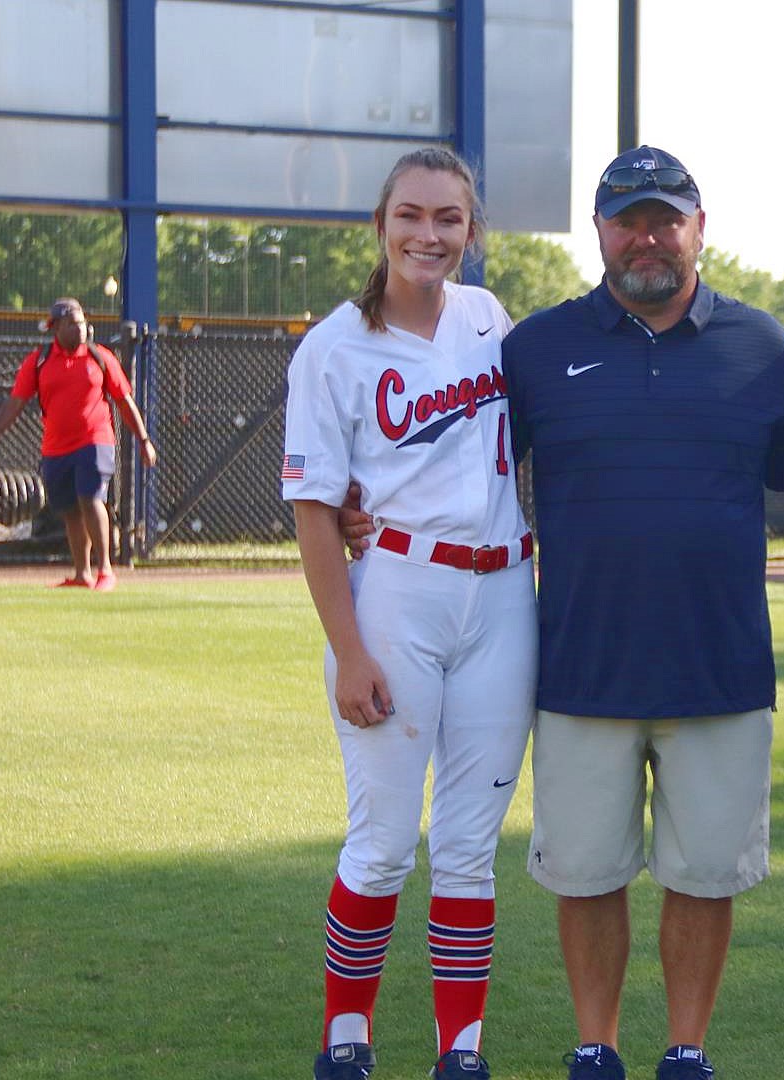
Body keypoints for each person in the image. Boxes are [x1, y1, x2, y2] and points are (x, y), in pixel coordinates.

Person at [343, 146, 784, 1080]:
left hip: (719, 667)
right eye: (627, 218)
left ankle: (685, 1049)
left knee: (702, 875)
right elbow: (451, 455)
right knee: (586, 874)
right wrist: (367, 505)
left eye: (664, 218)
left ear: (698, 229)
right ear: (598, 232)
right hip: (577, 665)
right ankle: (595, 1045)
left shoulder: (761, 348)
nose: (647, 236)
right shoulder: (535, 347)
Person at [282, 146, 537, 1080]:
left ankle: (458, 1054)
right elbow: (315, 513)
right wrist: (348, 650)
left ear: (472, 232)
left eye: (449, 218)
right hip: (399, 588)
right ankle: (345, 1040)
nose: (429, 234)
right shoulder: (334, 345)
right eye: (411, 215)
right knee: (384, 841)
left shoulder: (488, 319)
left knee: (469, 848)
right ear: (380, 226)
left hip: (506, 591)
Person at [0, 298, 157, 589]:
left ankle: (105, 570)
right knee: (69, 509)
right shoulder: (39, 360)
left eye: (83, 322)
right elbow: (16, 401)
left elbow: (124, 401)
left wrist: (144, 440)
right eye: (74, 323)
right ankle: (82, 574)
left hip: (95, 440)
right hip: (56, 448)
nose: (83, 328)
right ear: (57, 326)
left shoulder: (100, 357)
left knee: (91, 498)